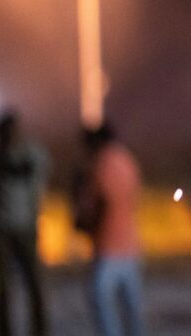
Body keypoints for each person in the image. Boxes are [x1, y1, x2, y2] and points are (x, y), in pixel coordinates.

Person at [0, 112, 49, 336]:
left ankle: (40, 330)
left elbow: (41, 176)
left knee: (34, 284)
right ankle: (3, 330)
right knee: (1, 288)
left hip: (26, 227)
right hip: (1, 229)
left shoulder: (31, 155)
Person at [77, 124, 145, 336]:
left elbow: (98, 202)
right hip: (130, 243)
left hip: (108, 244)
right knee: (131, 306)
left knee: (100, 299)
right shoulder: (127, 160)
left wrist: (85, 222)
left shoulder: (101, 164)